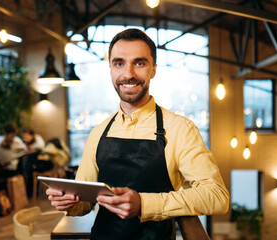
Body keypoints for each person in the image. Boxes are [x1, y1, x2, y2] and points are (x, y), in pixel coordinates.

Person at [46, 28, 229, 239]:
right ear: (111, 69)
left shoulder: (180, 129)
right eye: (119, 63)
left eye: (139, 63)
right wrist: (69, 202)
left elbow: (217, 196)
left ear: (153, 70)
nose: (128, 74)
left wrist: (144, 204)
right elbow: (86, 203)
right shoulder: (98, 133)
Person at [0, 122, 27, 190]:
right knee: (20, 160)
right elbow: (24, 151)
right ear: (15, 132)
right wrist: (13, 157)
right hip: (11, 170)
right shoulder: (17, 141)